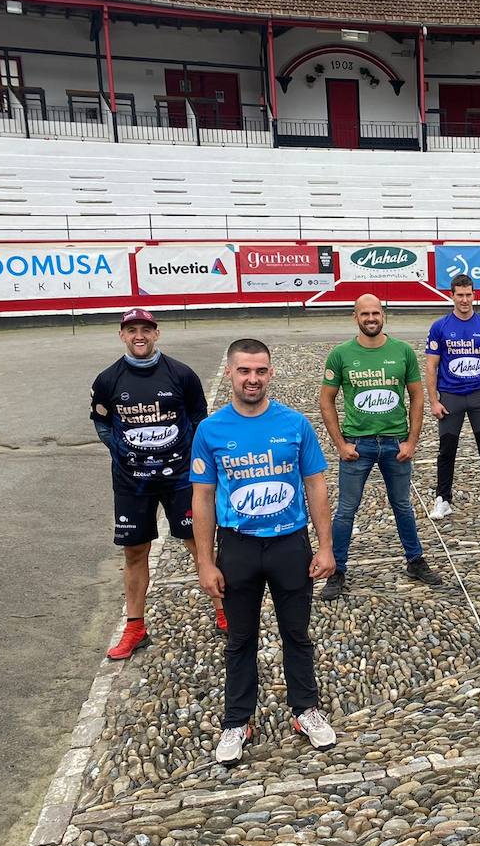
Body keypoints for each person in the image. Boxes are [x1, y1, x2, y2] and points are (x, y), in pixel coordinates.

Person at [190, 338, 337, 765]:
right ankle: (237, 721)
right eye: (244, 371)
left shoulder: (294, 425)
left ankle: (305, 710)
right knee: (240, 639)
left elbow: (316, 485)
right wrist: (204, 561)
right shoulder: (211, 430)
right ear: (231, 373)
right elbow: (202, 497)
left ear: (270, 373)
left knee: (296, 634)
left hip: (289, 543)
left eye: (260, 371)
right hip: (237, 547)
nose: (252, 379)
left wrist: (326, 547)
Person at [91, 307, 221, 661]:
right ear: (122, 335)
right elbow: (101, 422)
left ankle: (225, 611)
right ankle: (135, 628)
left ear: (156, 333)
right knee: (134, 552)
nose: (139, 336)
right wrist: (120, 451)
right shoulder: (108, 379)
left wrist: (190, 460)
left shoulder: (181, 374)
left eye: (145, 330)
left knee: (200, 545)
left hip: (179, 479)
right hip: (132, 483)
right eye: (132, 330)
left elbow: (199, 420)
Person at [318, 293, 442, 599]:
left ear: (383, 315)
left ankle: (415, 561)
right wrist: (340, 445)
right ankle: (337, 571)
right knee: (346, 510)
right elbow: (326, 401)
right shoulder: (340, 354)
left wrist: (411, 441)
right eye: (365, 314)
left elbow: (416, 397)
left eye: (376, 313)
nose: (371, 318)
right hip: (357, 446)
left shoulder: (402, 352)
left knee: (403, 506)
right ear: (355, 317)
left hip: (394, 444)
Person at [425, 273, 480, 520]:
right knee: (447, 449)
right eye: (460, 295)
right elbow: (431, 367)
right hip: (451, 396)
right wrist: (433, 401)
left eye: (468, 294)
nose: (464, 300)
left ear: (474, 294)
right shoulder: (440, 327)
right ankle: (443, 499)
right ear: (452, 296)